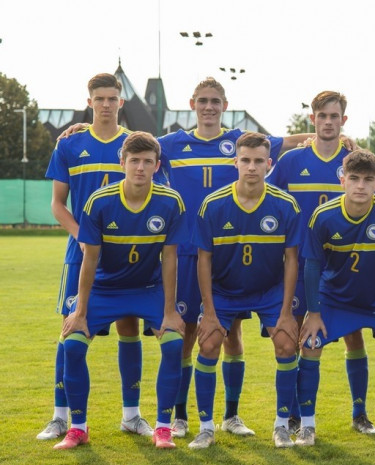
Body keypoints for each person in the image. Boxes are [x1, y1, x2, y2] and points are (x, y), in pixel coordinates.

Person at [56, 77, 320, 438]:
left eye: (215, 101)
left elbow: (286, 141)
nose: (209, 107)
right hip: (182, 252)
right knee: (188, 330)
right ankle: (179, 416)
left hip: (226, 252)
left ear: (225, 106)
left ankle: (231, 416)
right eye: (203, 101)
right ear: (192, 104)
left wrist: (331, 138)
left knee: (231, 332)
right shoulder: (170, 144)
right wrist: (86, 126)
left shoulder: (239, 142)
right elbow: (133, 144)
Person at [54, 131, 187, 450]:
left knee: (173, 344)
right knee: (73, 345)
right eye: (134, 160)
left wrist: (170, 311)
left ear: (157, 166)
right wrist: (80, 311)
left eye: (147, 161)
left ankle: (163, 428)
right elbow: (90, 258)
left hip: (147, 288)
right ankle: (78, 428)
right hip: (105, 288)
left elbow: (170, 258)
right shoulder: (100, 201)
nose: (140, 167)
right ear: (122, 162)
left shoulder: (171, 201)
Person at [40, 73, 156, 441]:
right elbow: (58, 204)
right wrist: (84, 237)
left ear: (121, 102)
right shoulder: (70, 145)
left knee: (129, 327)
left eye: (112, 98)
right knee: (70, 327)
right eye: (99, 98)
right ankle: (60, 417)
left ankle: (131, 415)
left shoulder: (135, 144)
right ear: (89, 102)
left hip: (128, 255)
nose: (106, 104)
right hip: (82, 254)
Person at [268, 91, 375, 435]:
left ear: (343, 120)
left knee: (353, 335)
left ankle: (360, 414)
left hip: (345, 266)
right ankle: (295, 416)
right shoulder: (292, 161)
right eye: (322, 116)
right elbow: (269, 198)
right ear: (312, 120)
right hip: (300, 264)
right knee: (296, 338)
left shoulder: (354, 161)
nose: (328, 122)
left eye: (334, 116)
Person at [296, 149, 375, 446]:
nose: (360, 186)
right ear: (343, 180)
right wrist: (313, 313)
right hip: (334, 297)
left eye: (367, 179)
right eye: (354, 178)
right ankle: (307, 426)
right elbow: (311, 266)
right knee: (310, 345)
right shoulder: (323, 216)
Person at [191, 132, 302, 449]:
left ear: (269, 164)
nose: (252, 167)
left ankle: (281, 426)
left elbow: (292, 260)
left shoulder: (285, 205)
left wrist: (286, 312)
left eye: (258, 161)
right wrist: (208, 312)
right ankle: (206, 427)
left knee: (286, 344)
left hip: (269, 290)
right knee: (209, 343)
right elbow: (203, 260)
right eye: (246, 160)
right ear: (235, 163)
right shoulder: (213, 205)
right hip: (225, 290)